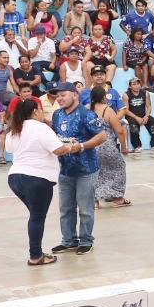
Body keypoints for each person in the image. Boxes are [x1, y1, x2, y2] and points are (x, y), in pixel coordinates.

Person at [5, 96, 75, 267]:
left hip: (15, 177)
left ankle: (36, 252)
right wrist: (71, 147)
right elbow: (58, 149)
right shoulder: (40, 127)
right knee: (37, 217)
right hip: (37, 177)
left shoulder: (14, 129)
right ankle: (35, 256)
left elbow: (9, 149)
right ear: (35, 111)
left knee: (35, 215)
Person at [48, 81, 108, 254]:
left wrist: (81, 146)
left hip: (86, 169)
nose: (59, 98)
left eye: (63, 95)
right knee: (65, 208)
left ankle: (86, 240)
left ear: (75, 95)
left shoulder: (86, 114)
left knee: (85, 209)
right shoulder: (57, 115)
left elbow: (102, 136)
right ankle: (68, 240)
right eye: (57, 96)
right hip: (65, 169)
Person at [89, 85, 130, 209]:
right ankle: (117, 197)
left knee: (96, 172)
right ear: (103, 97)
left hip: (91, 145)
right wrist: (124, 147)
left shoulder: (86, 109)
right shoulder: (108, 110)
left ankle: (94, 201)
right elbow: (120, 131)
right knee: (119, 168)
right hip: (107, 146)